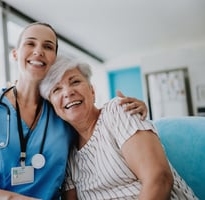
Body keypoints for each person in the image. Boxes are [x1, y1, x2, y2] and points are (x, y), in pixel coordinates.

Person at [0, 22, 148, 200]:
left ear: (54, 60)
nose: (38, 51)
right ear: (15, 54)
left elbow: (93, 123)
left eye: (48, 46)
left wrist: (126, 109)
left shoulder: (61, 111)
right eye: (30, 43)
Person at [39, 55, 198, 200]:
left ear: (92, 91)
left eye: (75, 81)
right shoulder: (67, 154)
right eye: (56, 89)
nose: (68, 92)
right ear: (52, 106)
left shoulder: (116, 111)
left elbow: (159, 179)